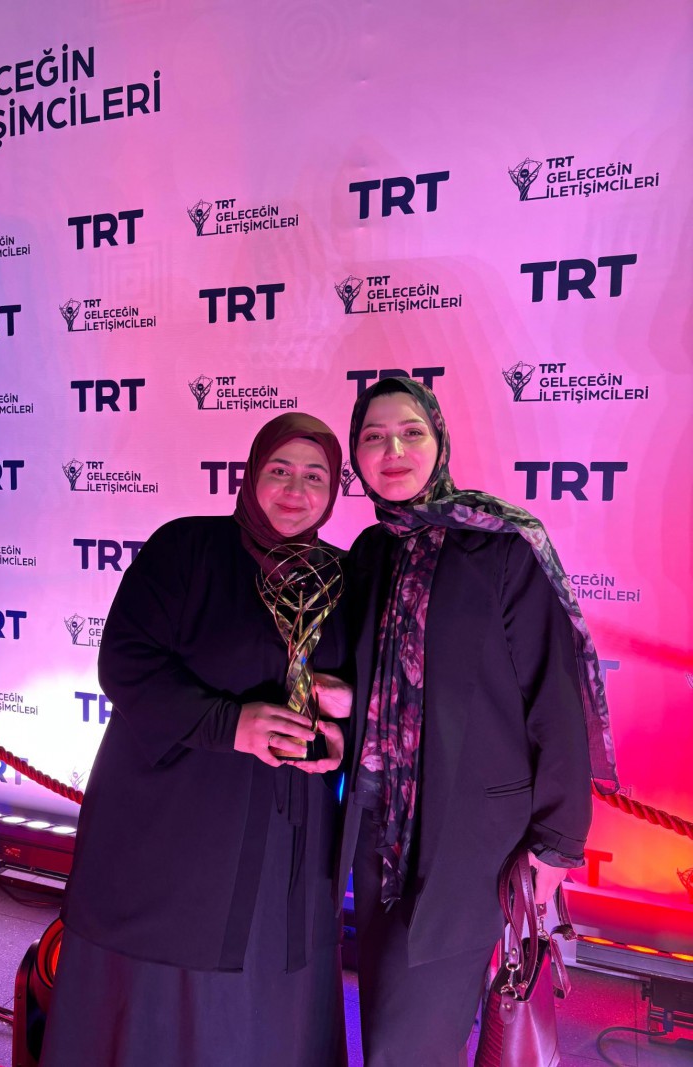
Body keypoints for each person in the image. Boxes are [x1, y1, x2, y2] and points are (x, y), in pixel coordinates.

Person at [40, 412, 350, 1067]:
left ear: (334, 491)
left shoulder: (341, 578)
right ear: (251, 474)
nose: (296, 490)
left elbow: (371, 692)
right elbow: (126, 662)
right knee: (167, 993)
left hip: (287, 840)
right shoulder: (187, 549)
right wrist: (229, 724)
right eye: (280, 470)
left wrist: (340, 737)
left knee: (268, 987)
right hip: (178, 825)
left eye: (315, 476)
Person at [325, 378, 618, 1066]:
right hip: (376, 833)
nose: (393, 450)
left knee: (407, 1041)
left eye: (411, 432)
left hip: (470, 844)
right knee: (389, 1016)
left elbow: (553, 696)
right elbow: (368, 679)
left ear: (439, 441)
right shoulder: (369, 552)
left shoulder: (500, 545)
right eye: (373, 437)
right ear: (356, 457)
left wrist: (557, 843)